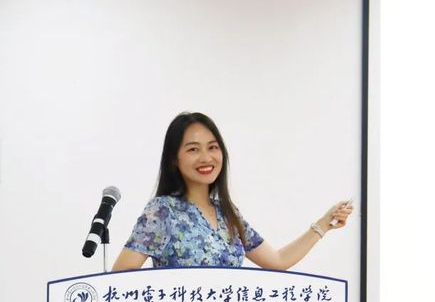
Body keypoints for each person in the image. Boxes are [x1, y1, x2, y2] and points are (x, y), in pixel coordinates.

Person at [111, 112, 353, 271]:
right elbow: (122, 278)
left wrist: (324, 224)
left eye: (213, 147)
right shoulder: (163, 211)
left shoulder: (227, 213)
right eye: (193, 149)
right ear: (175, 159)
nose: (206, 158)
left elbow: (277, 261)